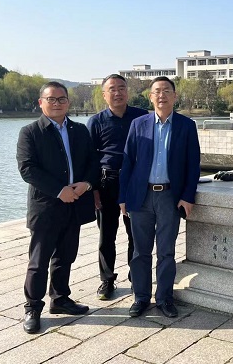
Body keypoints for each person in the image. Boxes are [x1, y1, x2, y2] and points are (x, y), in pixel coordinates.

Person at [16, 81, 100, 334]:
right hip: (46, 207)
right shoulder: (30, 132)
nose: (56, 103)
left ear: (68, 102)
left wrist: (86, 184)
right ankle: (32, 307)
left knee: (66, 255)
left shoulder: (79, 130)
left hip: (74, 204)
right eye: (51, 99)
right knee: (39, 261)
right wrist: (59, 190)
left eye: (61, 99)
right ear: (41, 102)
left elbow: (93, 162)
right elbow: (27, 169)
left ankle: (60, 298)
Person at [118, 76, 201, 318]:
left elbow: (193, 165)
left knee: (166, 251)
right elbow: (127, 162)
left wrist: (188, 196)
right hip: (141, 197)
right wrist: (123, 197)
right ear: (150, 97)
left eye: (166, 91)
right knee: (140, 251)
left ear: (175, 96)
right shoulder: (139, 124)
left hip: (169, 196)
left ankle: (164, 298)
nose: (161, 95)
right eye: (157, 91)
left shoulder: (186, 126)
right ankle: (141, 297)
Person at [87, 74, 148, 300]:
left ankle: (136, 277)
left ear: (127, 92)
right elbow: (89, 159)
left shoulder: (141, 117)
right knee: (107, 235)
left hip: (134, 183)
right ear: (104, 94)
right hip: (107, 183)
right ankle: (107, 279)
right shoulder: (96, 121)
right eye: (112, 89)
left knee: (136, 234)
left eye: (122, 88)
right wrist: (94, 190)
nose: (117, 92)